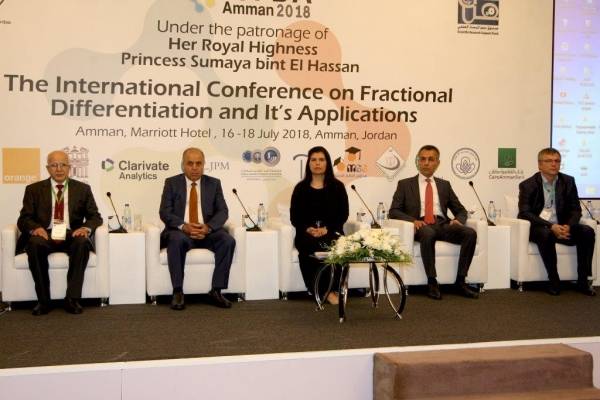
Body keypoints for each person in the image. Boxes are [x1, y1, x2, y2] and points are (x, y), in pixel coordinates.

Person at [17, 150, 102, 315]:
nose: (59, 169)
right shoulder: (33, 189)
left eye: (63, 164)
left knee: (82, 242)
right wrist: (35, 228)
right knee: (34, 244)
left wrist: (85, 228)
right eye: (54, 165)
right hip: (45, 234)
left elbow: (95, 216)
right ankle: (44, 301)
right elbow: (24, 218)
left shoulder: (82, 189)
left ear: (69, 167)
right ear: (47, 168)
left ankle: (72, 299)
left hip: (71, 233)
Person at [389, 145, 479, 300]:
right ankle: (431, 281)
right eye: (422, 159)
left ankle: (460, 281)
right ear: (418, 162)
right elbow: (394, 211)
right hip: (421, 225)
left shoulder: (445, 185)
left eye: (430, 159)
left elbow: (460, 210)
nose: (426, 163)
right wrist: (413, 221)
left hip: (442, 224)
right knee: (428, 233)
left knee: (470, 233)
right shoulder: (405, 184)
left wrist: (458, 220)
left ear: (437, 163)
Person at [159, 147, 236, 310]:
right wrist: (183, 226)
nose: (194, 168)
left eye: (198, 163)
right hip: (181, 232)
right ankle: (178, 291)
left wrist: (208, 227)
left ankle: (216, 290)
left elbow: (223, 211)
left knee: (228, 241)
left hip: (206, 232)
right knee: (175, 239)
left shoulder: (214, 183)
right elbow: (165, 212)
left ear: (203, 165)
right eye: (190, 163)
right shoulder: (171, 183)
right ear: (183, 165)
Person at [518, 147, 596, 296]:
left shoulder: (568, 181)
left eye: (557, 161)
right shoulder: (528, 185)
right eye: (549, 161)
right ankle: (554, 280)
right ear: (540, 165)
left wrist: (569, 226)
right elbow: (525, 213)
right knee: (545, 234)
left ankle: (583, 280)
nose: (554, 164)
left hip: (562, 226)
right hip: (540, 227)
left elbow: (575, 210)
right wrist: (551, 226)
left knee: (587, 232)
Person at [290, 146, 349, 304]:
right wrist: (308, 229)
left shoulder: (338, 187)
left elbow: (343, 214)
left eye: (321, 160)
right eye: (314, 160)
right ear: (308, 163)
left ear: (327, 163)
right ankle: (323, 291)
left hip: (332, 231)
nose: (317, 163)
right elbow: (295, 217)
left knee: (336, 245)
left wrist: (326, 229)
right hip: (306, 233)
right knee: (310, 246)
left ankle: (334, 288)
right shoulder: (300, 188)